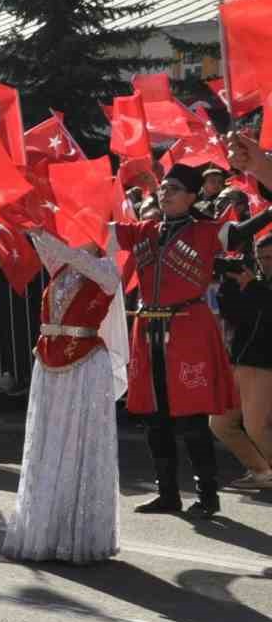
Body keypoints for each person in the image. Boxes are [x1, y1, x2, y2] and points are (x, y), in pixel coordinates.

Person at [116, 153, 272, 519]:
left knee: (190, 418)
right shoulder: (143, 230)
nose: (166, 193)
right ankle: (167, 494)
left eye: (175, 189)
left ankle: (207, 495)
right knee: (155, 418)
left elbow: (243, 232)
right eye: (164, 188)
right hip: (147, 331)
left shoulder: (206, 231)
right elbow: (92, 229)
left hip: (187, 328)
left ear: (191, 197)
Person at [4, 231, 126, 563]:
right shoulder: (61, 266)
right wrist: (29, 215)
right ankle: (46, 527)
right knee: (48, 442)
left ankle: (77, 533)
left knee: (76, 443)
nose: (68, 229)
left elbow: (78, 257)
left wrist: (66, 239)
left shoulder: (106, 269)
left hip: (84, 364)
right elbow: (41, 241)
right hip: (49, 360)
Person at [209, 235, 272, 488]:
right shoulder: (250, 281)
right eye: (261, 258)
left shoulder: (256, 285)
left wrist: (253, 287)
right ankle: (260, 471)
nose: (265, 263)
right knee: (220, 424)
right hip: (238, 360)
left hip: (265, 364)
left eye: (270, 258)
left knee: (256, 427)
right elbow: (231, 314)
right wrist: (229, 284)